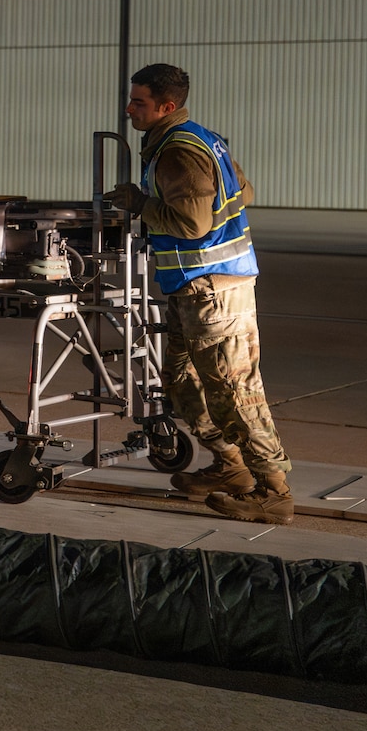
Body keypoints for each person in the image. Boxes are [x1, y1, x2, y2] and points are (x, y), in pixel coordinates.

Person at [108, 62, 291, 525]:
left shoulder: (178, 153)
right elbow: (244, 191)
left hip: (214, 292)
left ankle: (273, 491)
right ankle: (232, 468)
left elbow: (192, 224)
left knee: (233, 391)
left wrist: (141, 204)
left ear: (166, 106)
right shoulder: (201, 139)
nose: (129, 109)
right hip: (193, 288)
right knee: (181, 381)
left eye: (139, 102)